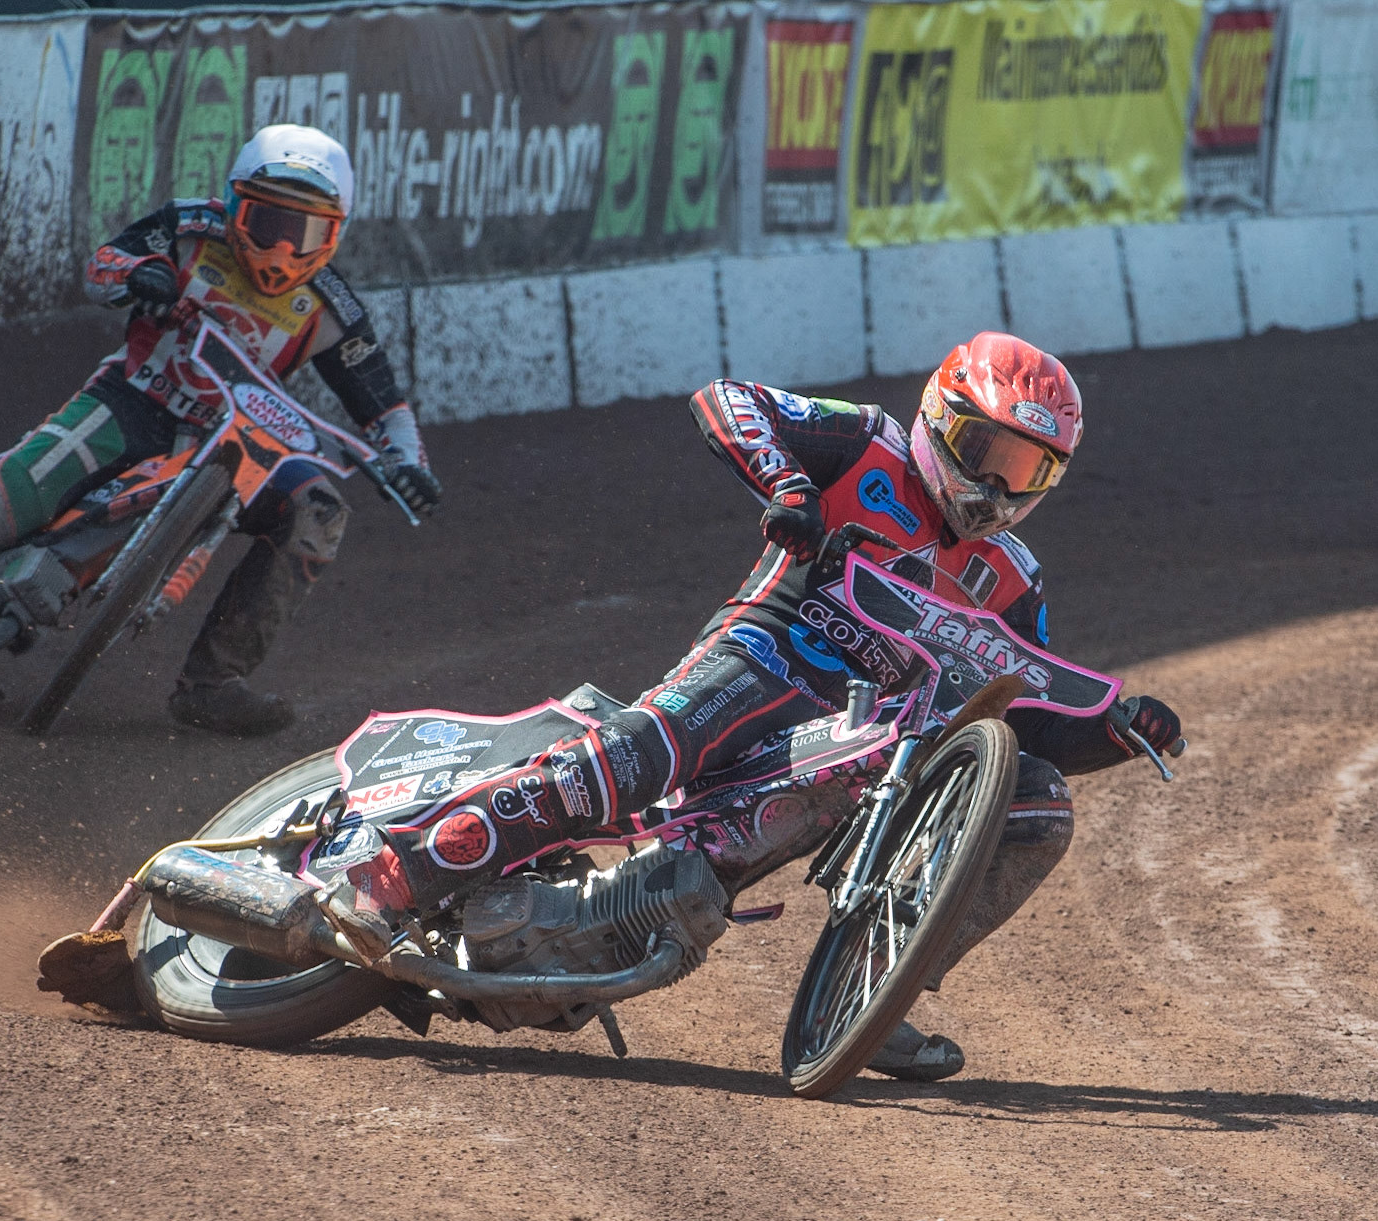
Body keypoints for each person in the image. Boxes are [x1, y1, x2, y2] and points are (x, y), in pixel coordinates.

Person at [339, 331, 1182, 1081]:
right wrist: (788, 487)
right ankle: (398, 872)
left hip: (866, 748)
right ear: (936, 416)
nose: (997, 483)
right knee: (643, 755)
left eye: (1026, 469)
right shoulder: (867, 444)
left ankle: (880, 986)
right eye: (983, 448)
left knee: (1036, 803)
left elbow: (1013, 707)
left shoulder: (1014, 578)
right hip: (769, 650)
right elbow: (728, 400)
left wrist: (1114, 726)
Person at [0, 125, 439, 736]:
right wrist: (143, 276)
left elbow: (381, 401)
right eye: (267, 222)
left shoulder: (333, 308)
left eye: (305, 232)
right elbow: (105, 264)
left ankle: (212, 686)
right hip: (129, 400)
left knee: (317, 510)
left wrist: (406, 460)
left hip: (232, 444)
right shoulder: (189, 230)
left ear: (334, 235)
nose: (283, 250)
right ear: (232, 206)